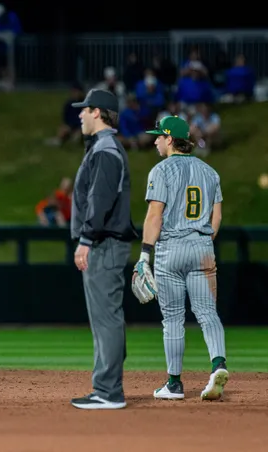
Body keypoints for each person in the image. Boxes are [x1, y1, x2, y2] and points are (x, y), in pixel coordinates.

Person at [135, 115, 228, 401]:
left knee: (173, 319)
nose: (155, 141)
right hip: (201, 247)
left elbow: (154, 215)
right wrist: (201, 242)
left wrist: (144, 255)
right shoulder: (210, 172)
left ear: (170, 139)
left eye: (159, 136)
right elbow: (217, 217)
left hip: (170, 250)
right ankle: (218, 364)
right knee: (207, 314)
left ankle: (174, 384)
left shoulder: (160, 171)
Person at [69, 89, 138, 410]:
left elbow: (100, 199)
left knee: (106, 318)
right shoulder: (103, 147)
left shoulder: (106, 149)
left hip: (104, 243)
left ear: (98, 112)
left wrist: (86, 239)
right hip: (106, 242)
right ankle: (107, 387)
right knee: (106, 318)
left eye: (85, 110)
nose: (80, 115)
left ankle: (109, 391)